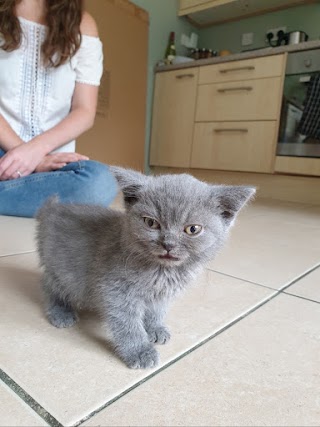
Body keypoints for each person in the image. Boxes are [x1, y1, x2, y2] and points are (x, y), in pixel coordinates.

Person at [0, 0, 118, 217]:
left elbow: (84, 111)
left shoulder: (83, 24)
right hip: (2, 149)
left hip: (53, 160)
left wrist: (35, 152)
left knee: (100, 183)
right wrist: (27, 156)